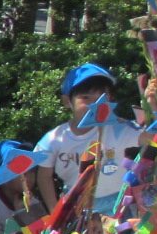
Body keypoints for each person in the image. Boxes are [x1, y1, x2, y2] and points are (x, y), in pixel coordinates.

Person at [34, 62, 142, 214]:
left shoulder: (118, 128)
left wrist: (153, 106)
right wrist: (55, 211)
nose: (95, 105)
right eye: (86, 98)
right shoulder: (54, 139)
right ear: (67, 101)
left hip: (119, 204)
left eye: (102, 98)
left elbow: (149, 138)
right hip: (77, 206)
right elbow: (44, 176)